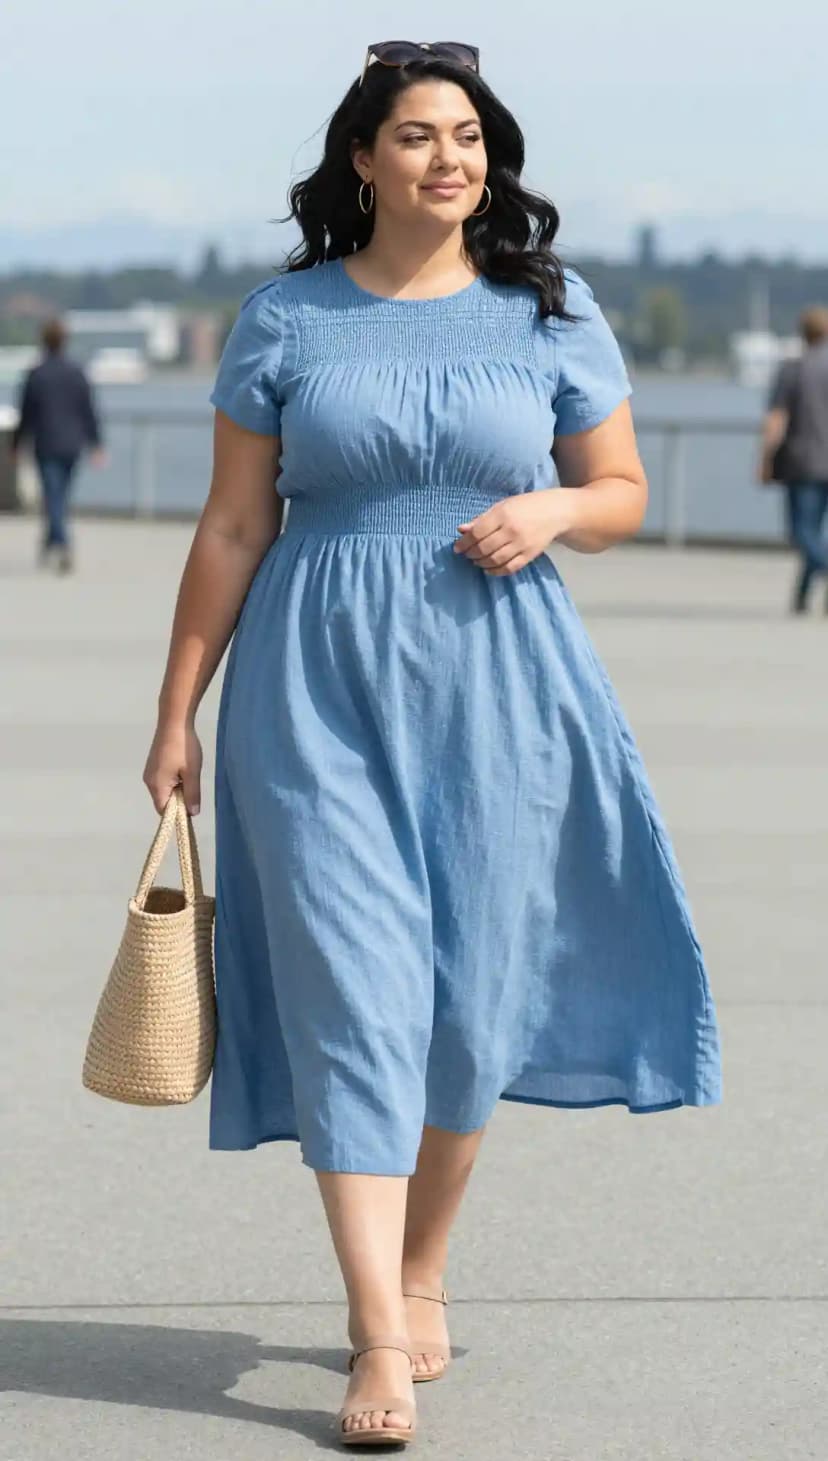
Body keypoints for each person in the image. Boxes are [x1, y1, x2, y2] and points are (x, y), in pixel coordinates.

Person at [142, 41, 722, 1448]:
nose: (448, 158)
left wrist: (554, 516)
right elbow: (232, 526)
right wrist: (175, 711)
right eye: (416, 136)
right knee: (357, 993)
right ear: (363, 160)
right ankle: (377, 1337)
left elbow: (625, 487)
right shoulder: (285, 319)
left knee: (470, 1008)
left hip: (505, 686)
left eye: (467, 136)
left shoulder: (552, 310)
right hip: (312, 685)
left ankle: (423, 1263)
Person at [9, 316, 107, 574]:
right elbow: (88, 411)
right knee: (60, 495)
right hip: (72, 444)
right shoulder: (77, 373)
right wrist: (95, 443)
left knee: (52, 495)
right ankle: (54, 539)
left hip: (46, 443)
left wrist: (16, 446)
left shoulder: (36, 375)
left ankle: (58, 542)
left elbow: (25, 414)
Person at [759, 305, 828, 613]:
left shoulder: (793, 369)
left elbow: (775, 419)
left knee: (801, 532)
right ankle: (801, 599)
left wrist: (764, 458)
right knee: (814, 532)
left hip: (802, 462)